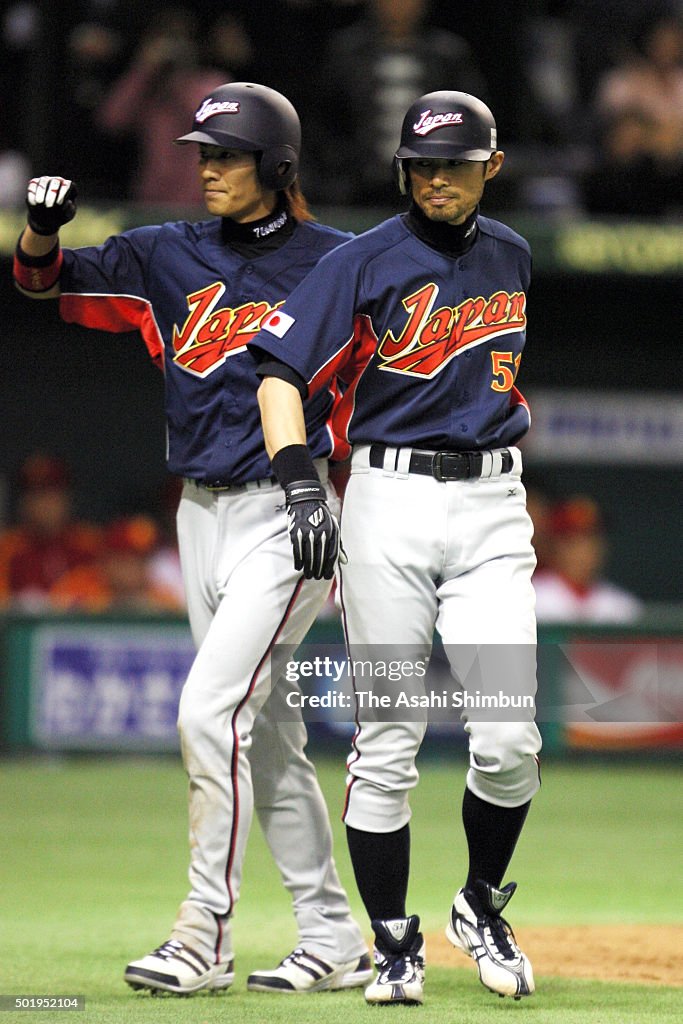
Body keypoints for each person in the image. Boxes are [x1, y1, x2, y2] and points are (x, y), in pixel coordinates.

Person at [13, 81, 370, 997]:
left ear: (278, 166)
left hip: (290, 513)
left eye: (227, 156)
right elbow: (41, 280)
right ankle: (331, 935)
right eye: (202, 153)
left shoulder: (340, 261)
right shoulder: (165, 252)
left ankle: (202, 935)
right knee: (273, 737)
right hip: (199, 513)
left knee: (207, 714)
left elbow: (400, 367)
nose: (205, 169)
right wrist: (40, 233)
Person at [255, 90, 541, 1006]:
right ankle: (393, 942)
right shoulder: (365, 257)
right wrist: (302, 476)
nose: (437, 179)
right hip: (386, 507)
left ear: (489, 167)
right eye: (422, 166)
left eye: (455, 164)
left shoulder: (513, 255)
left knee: (506, 738)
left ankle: (479, 905)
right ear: (403, 170)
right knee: (387, 740)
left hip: (493, 508)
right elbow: (278, 366)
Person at [0, 452, 102, 612]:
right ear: (23, 503)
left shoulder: (91, 544)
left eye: (51, 495)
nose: (44, 505)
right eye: (36, 495)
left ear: (66, 498)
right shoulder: (7, 548)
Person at [533, 496, 643, 623]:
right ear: (554, 545)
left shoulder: (622, 605)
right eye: (572, 541)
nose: (584, 550)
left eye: (592, 539)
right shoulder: (530, 596)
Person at [50, 514, 183, 613]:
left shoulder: (159, 596)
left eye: (140, 560)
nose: (133, 568)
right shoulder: (80, 584)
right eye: (126, 559)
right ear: (106, 561)